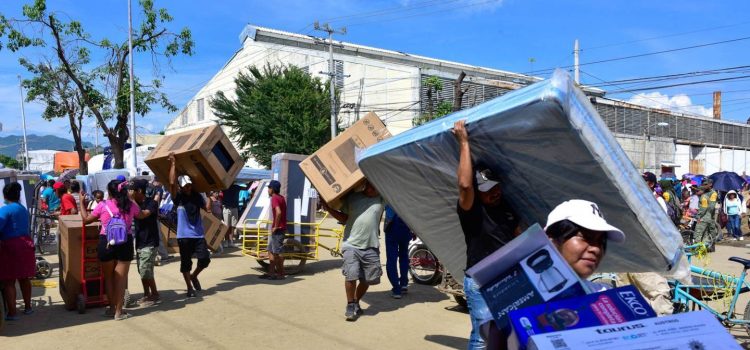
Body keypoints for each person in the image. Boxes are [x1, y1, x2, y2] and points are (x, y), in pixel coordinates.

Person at [453, 120, 520, 349]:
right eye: (487, 190)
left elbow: (520, 238)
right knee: (483, 338)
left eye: (496, 187)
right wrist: (464, 142)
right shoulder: (472, 210)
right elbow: (464, 185)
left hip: (508, 279)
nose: (494, 193)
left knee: (509, 333)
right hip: (480, 279)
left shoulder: (508, 207)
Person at [79, 179, 144, 320]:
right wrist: (132, 199)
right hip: (124, 242)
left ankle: (111, 308)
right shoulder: (130, 205)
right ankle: (119, 312)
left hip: (106, 242)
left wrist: (82, 202)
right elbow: (141, 215)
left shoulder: (102, 205)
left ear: (109, 192)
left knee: (108, 277)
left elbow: (86, 220)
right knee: (120, 279)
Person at [320, 180, 384, 322]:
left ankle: (355, 301)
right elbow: (344, 217)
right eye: (367, 185)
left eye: (373, 186)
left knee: (369, 279)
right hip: (351, 244)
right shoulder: (353, 197)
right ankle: (350, 304)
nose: (369, 189)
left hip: (371, 245)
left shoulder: (382, 199)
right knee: (351, 275)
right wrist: (327, 208)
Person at [168, 153, 210, 298]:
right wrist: (173, 163)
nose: (188, 187)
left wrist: (209, 195)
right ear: (181, 186)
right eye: (185, 185)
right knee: (186, 263)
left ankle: (194, 276)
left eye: (190, 185)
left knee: (204, 259)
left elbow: (207, 209)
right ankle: (189, 288)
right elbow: (172, 183)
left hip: (198, 234)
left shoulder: (197, 196)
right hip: (184, 236)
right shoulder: (177, 197)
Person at [0, 182, 35, 321]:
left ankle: (12, 313)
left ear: (5, 195)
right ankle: (28, 308)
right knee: (24, 278)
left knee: (9, 281)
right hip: (25, 245)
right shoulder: (22, 208)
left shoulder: (5, 210)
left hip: (11, 247)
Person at [130, 179, 162, 306]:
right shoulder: (133, 203)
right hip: (140, 241)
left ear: (139, 191)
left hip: (150, 241)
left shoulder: (151, 203)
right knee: (142, 270)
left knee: (145, 270)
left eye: (132, 190)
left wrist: (131, 201)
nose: (129, 193)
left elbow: (142, 215)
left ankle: (155, 294)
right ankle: (147, 294)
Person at [261, 180, 287, 280]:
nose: (268, 190)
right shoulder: (281, 197)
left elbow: (279, 212)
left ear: (272, 189)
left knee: (277, 253)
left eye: (269, 188)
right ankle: (271, 273)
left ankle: (281, 274)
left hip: (278, 229)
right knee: (270, 251)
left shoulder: (275, 198)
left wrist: (276, 226)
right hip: (279, 229)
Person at [384, 205, 411, 299]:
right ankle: (404, 284)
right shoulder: (409, 195)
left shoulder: (389, 191)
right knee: (404, 257)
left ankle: (396, 289)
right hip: (406, 225)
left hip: (392, 225)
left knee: (392, 259)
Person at [695, 178, 719, 249]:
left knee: (701, 233)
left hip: (706, 216)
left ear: (710, 184)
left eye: (705, 184)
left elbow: (709, 207)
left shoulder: (711, 194)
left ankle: (700, 249)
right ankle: (708, 248)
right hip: (708, 216)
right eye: (702, 184)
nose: (703, 186)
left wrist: (699, 216)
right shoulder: (707, 193)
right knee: (707, 233)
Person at [222, 184, 242, 248]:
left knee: (233, 226)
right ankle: (226, 241)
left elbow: (246, 188)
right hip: (227, 208)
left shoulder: (236, 186)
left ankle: (231, 241)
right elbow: (246, 188)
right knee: (227, 226)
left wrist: (251, 181)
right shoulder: (225, 186)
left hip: (234, 208)